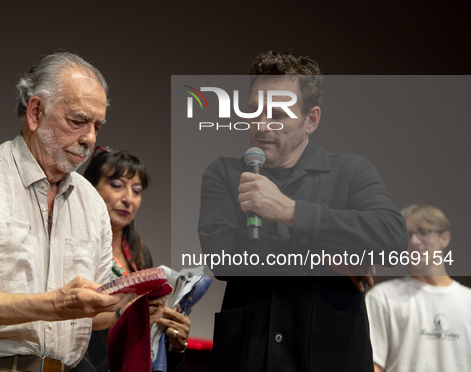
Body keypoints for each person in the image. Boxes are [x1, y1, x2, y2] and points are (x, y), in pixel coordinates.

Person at [0, 52, 164, 372]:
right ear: (35, 112)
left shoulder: (91, 202)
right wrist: (53, 305)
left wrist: (120, 302)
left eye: (97, 125)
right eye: (78, 121)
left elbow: (97, 318)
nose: (90, 138)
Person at [198, 51, 408, 371]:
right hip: (248, 355)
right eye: (254, 110)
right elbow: (224, 256)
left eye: (277, 113)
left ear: (311, 120)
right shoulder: (225, 173)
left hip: (328, 356)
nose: (261, 124)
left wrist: (291, 211)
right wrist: (324, 257)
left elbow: (391, 237)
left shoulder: (351, 170)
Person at [72, 149, 190, 372]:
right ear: (91, 187)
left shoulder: (140, 256)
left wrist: (174, 342)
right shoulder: (75, 247)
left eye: (136, 191)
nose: (128, 199)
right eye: (117, 185)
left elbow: (143, 339)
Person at [366, 204, 471, 372]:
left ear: (444, 238)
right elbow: (373, 365)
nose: (414, 241)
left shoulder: (468, 301)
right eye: (407, 235)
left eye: (423, 232)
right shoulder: (382, 297)